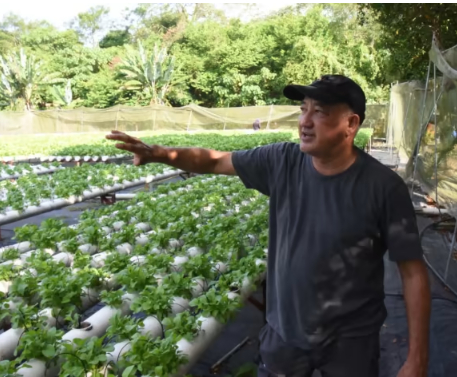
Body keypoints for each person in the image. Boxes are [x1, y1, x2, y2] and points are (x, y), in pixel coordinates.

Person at [106, 74, 431, 377]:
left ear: (350, 123)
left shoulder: (383, 187)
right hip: (284, 334)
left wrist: (416, 358)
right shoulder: (282, 162)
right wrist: (162, 154)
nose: (304, 122)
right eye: (303, 110)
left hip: (352, 343)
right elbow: (215, 160)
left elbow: (413, 273)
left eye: (319, 112)